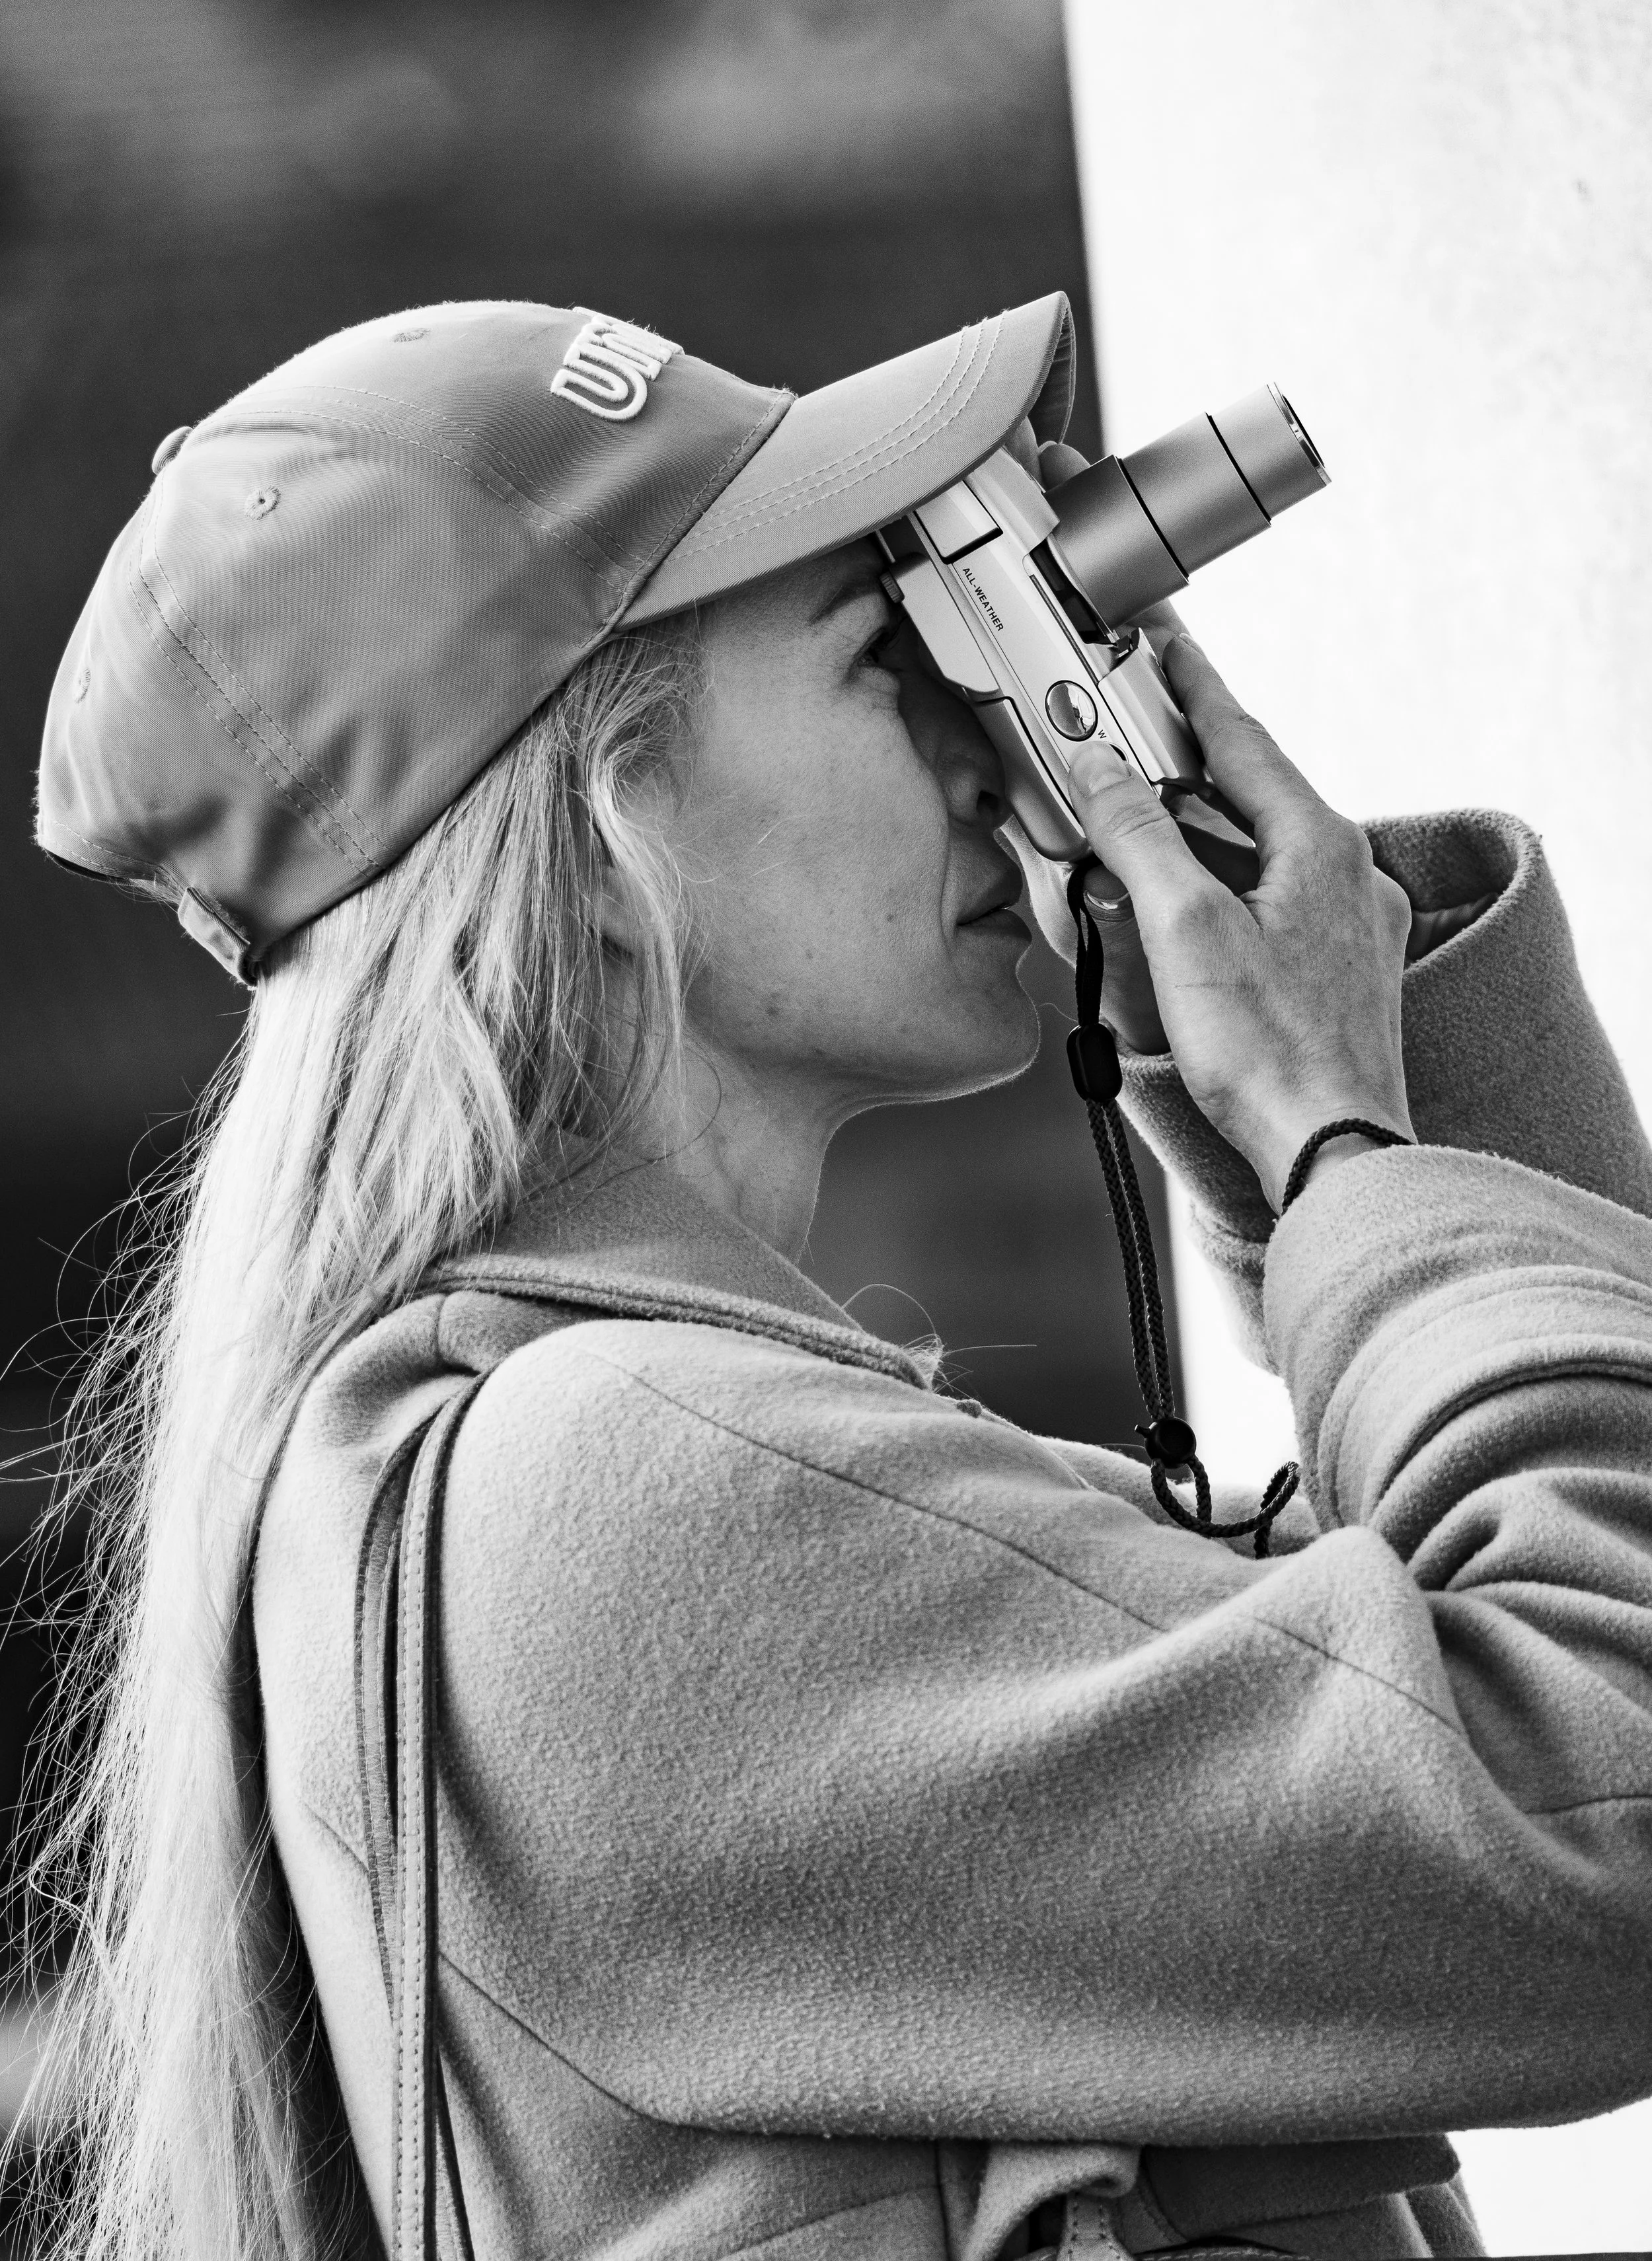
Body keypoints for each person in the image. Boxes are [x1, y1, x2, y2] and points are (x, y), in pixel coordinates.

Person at [27, 295, 1652, 2261]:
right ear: (605, 811)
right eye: (888, 652)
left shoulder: (579, 1456)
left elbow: (1470, 1646)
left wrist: (1358, 1018)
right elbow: (1598, 1802)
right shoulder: (613, 1493)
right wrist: (1328, 1137)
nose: (991, 747)